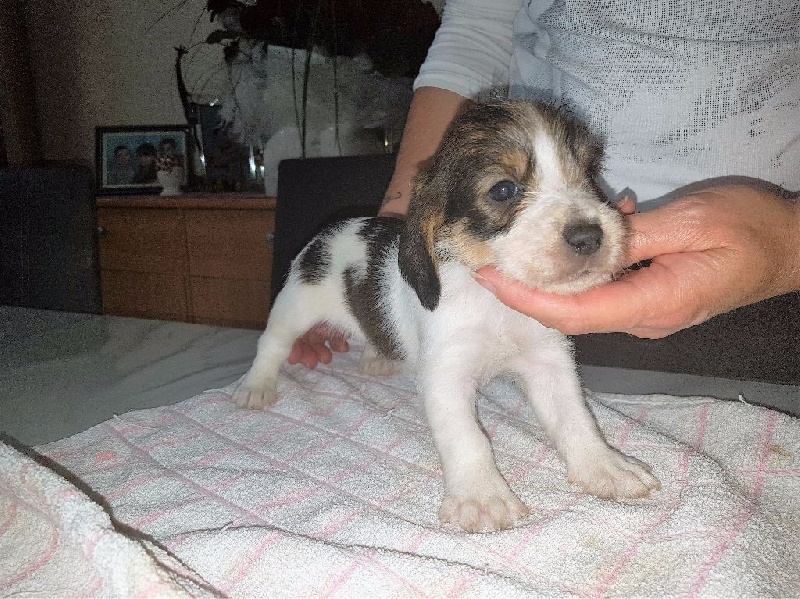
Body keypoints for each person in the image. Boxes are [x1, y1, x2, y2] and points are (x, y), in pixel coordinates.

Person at [289, 0, 800, 368]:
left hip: (779, 292)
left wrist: (787, 246)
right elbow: (476, 33)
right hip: (532, 278)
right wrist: (396, 248)